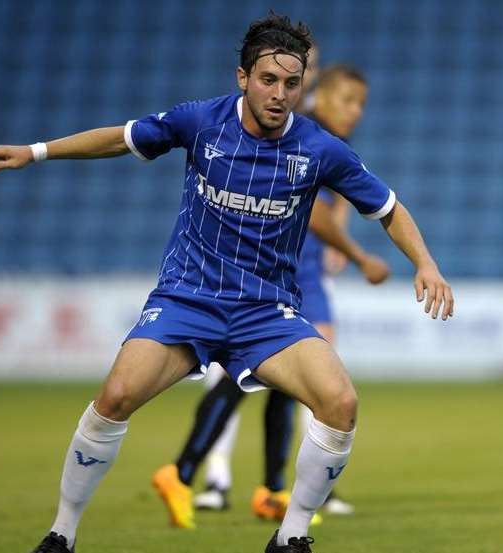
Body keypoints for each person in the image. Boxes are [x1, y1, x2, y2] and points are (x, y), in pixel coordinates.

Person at [0, 12, 454, 553]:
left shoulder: (319, 149)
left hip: (265, 312)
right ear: (243, 78)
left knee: (340, 402)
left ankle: (291, 537)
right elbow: (120, 138)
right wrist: (36, 152)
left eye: (292, 84)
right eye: (268, 80)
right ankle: (61, 533)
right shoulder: (201, 122)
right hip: (189, 299)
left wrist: (426, 263)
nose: (279, 94)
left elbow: (389, 208)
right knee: (115, 396)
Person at [158, 64, 383, 529]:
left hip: (302, 268)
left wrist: (336, 246)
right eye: (347, 101)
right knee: (281, 377)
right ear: (320, 98)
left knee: (286, 384)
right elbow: (318, 217)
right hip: (284, 273)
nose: (355, 112)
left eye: (360, 104)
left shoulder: (325, 141)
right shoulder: (302, 134)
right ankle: (192, 473)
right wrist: (357, 254)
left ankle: (270, 486)